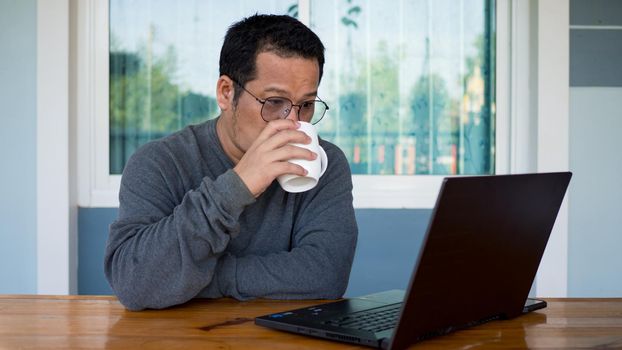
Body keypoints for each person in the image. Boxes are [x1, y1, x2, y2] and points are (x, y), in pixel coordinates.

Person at [104, 14, 358, 311]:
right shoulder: (159, 163)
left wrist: (205, 277)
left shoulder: (324, 164)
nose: (293, 121)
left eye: (306, 105)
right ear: (226, 93)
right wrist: (237, 187)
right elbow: (134, 283)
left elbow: (326, 275)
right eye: (274, 102)